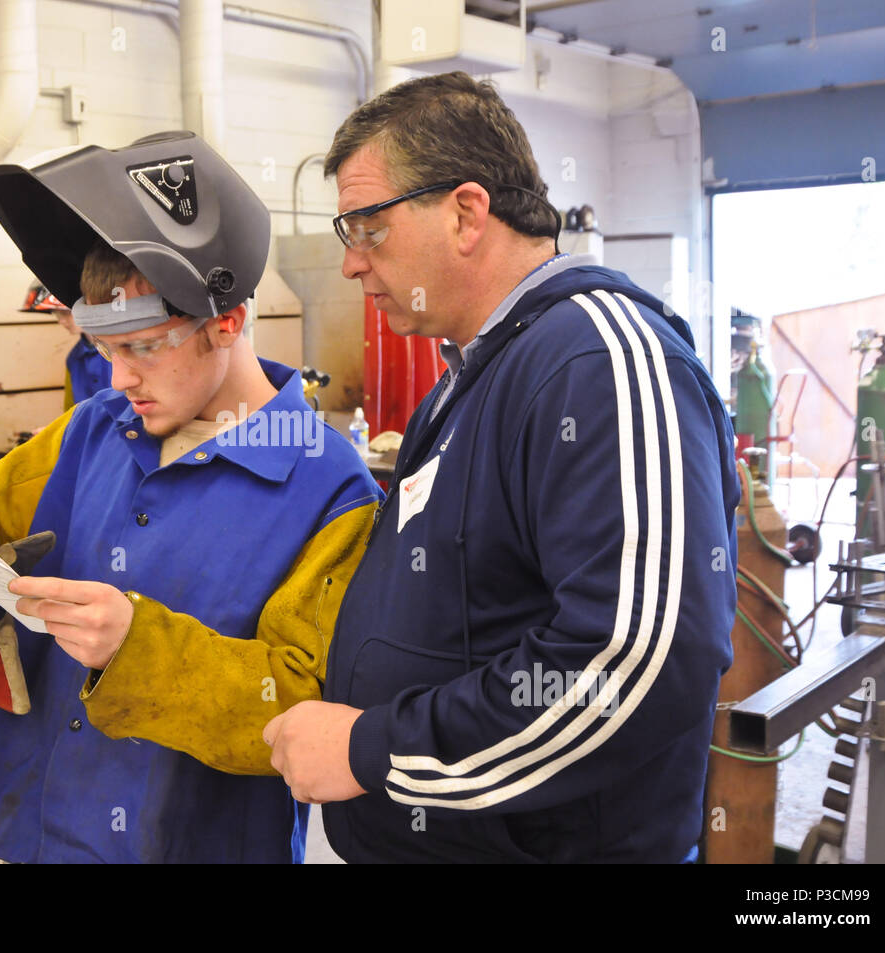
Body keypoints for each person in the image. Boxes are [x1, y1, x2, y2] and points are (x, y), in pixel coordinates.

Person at [0, 131, 381, 863]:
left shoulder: (333, 491)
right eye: (105, 352)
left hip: (184, 840)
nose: (118, 379)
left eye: (144, 347)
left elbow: (299, 701)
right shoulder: (96, 428)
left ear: (226, 320)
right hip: (42, 823)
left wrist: (140, 647)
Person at [265, 71, 739, 863]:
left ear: (466, 212)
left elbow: (637, 664)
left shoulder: (598, 359)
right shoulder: (475, 375)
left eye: (367, 228)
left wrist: (373, 750)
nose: (352, 265)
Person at [18, 281, 113, 410]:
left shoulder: (120, 350)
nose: (61, 321)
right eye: (56, 314)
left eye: (65, 313)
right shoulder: (74, 358)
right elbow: (70, 411)